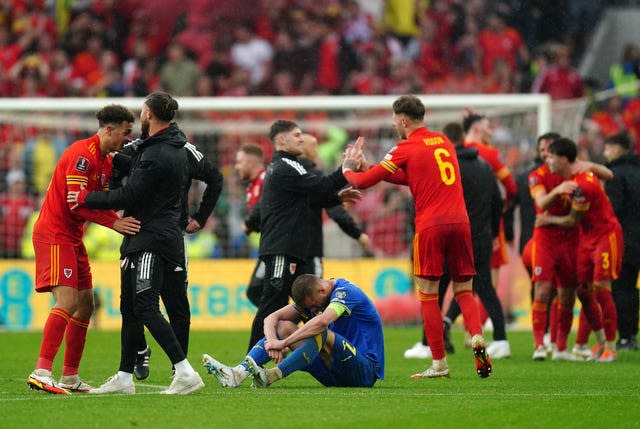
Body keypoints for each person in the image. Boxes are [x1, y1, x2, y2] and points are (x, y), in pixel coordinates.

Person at [342, 95, 491, 379]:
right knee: (464, 290)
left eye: (394, 119)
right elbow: (413, 177)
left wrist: (349, 167)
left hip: (430, 226)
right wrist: (371, 166)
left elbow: (362, 183)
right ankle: (477, 337)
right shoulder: (444, 142)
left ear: (403, 120)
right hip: (460, 222)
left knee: (428, 295)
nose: (393, 124)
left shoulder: (404, 147)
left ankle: (439, 364)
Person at [67, 92, 205, 394]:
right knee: (129, 308)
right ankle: (124, 376)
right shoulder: (159, 147)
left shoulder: (159, 153)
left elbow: (130, 196)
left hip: (151, 237)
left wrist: (87, 197)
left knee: (144, 305)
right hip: (142, 235)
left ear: (148, 113)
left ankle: (185, 372)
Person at [27, 104, 141, 395]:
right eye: (125, 133)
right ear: (109, 130)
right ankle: (41, 370)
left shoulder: (106, 161)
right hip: (56, 234)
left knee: (86, 304)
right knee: (66, 301)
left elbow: (96, 200)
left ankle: (70, 377)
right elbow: (75, 203)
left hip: (73, 236)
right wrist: (114, 223)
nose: (127, 139)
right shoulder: (82, 155)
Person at [111, 136, 224, 380]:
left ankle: (179, 370)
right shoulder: (134, 149)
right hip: (138, 234)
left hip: (171, 237)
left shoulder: (183, 149)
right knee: (131, 304)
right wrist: (114, 209)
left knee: (175, 304)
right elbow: (112, 172)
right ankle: (140, 351)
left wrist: (201, 217)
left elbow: (215, 177)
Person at [245, 120, 359, 352]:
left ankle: (276, 353)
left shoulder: (287, 167)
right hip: (280, 247)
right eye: (296, 135)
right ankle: (250, 360)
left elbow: (312, 199)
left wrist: (337, 198)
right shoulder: (286, 165)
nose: (301, 138)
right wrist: (346, 167)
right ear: (281, 140)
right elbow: (320, 186)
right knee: (271, 303)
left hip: (289, 248)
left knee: (280, 304)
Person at [202, 274, 384, 388]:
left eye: (314, 304)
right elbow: (271, 318)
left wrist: (284, 344)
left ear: (321, 290)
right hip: (333, 375)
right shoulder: (317, 296)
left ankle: (273, 375)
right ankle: (237, 374)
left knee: (319, 329)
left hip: (364, 372)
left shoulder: (345, 292)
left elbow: (323, 321)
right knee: (284, 327)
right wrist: (273, 342)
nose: (313, 308)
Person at [536, 138, 622, 362]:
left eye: (551, 156)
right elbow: (607, 174)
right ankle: (600, 342)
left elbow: (572, 221)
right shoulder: (574, 177)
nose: (547, 160)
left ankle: (611, 346)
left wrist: (547, 221)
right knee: (583, 291)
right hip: (586, 238)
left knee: (602, 289)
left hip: (604, 235)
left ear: (563, 159)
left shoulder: (581, 186)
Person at [298, 133, 370, 276]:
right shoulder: (313, 176)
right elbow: (335, 208)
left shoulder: (284, 174)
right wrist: (358, 234)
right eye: (313, 146)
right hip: (310, 250)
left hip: (286, 249)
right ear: (303, 150)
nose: (317, 150)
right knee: (314, 293)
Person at [602, 132, 640, 350]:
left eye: (608, 148)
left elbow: (612, 211)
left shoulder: (613, 174)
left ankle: (627, 336)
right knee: (631, 289)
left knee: (623, 288)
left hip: (625, 240)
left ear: (617, 149)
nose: (606, 153)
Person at [235, 143, 266, 308]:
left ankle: (282, 327)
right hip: (267, 245)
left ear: (251, 163)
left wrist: (248, 224)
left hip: (278, 247)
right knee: (261, 293)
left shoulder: (266, 179)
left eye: (239, 162)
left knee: (256, 291)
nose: (236, 166)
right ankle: (285, 329)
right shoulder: (252, 187)